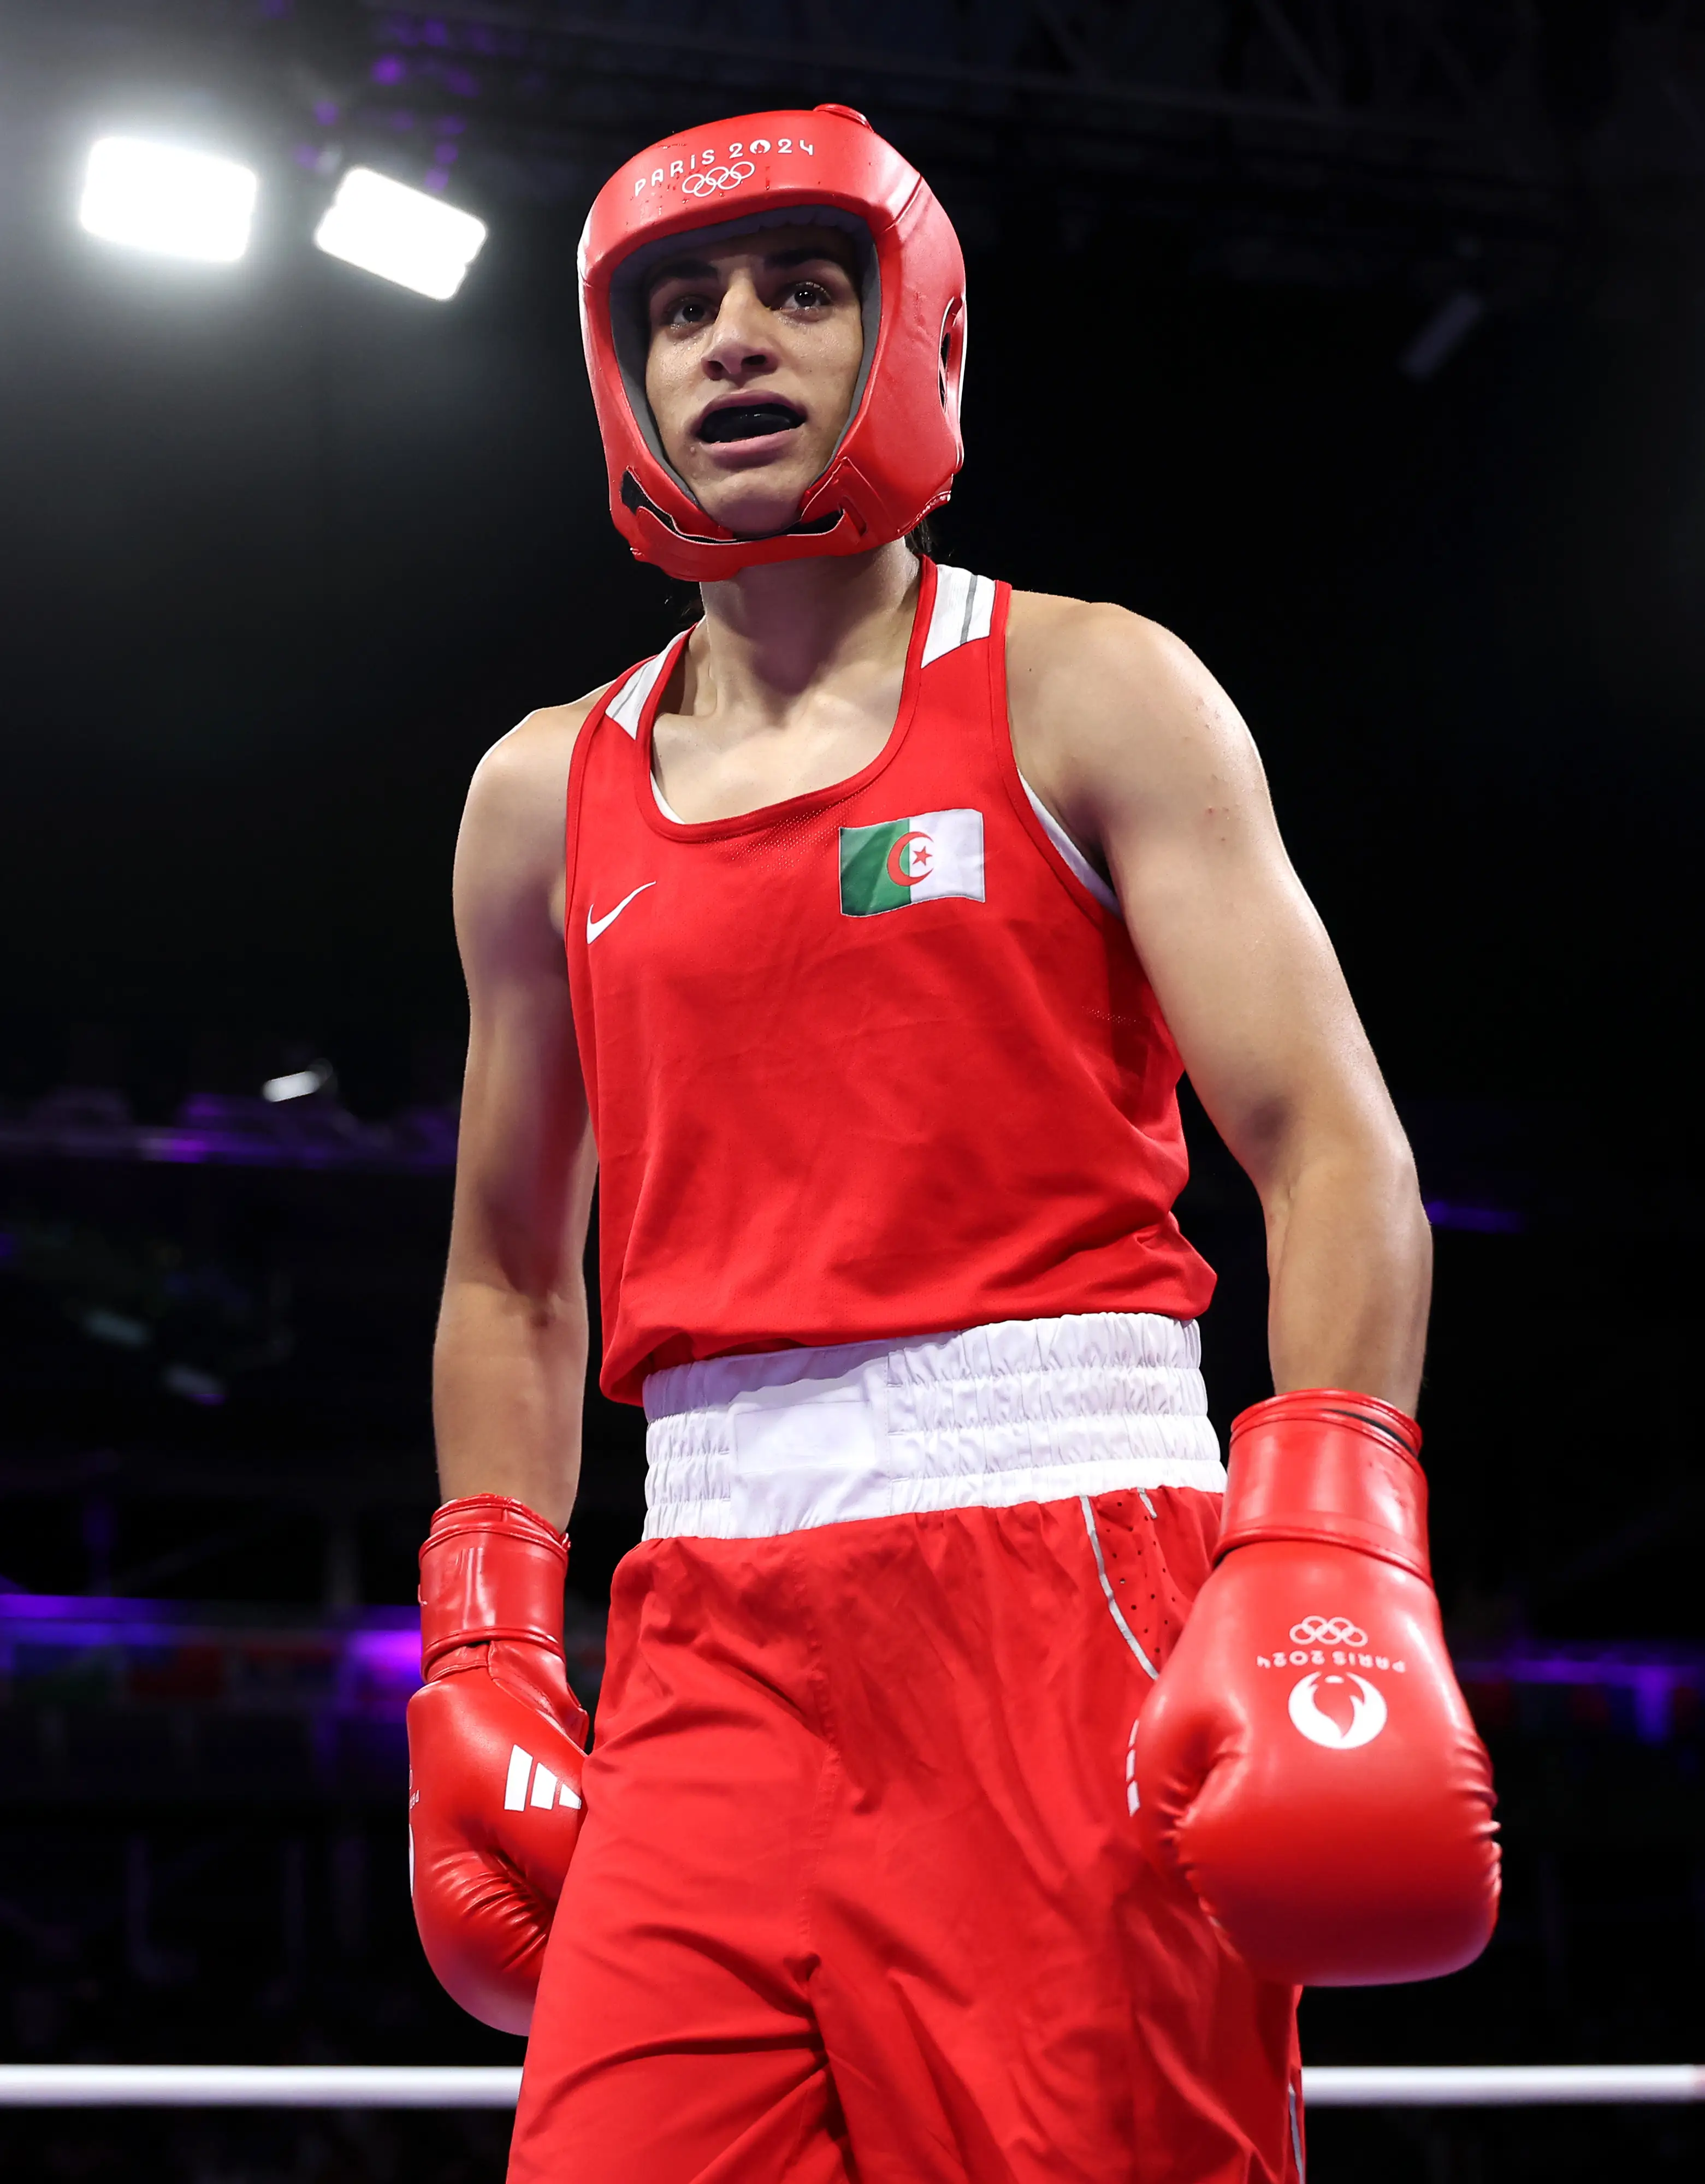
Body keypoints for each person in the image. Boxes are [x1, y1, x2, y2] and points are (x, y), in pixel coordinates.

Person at [405, 105, 1500, 2183]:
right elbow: (509, 1275)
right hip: (703, 1631)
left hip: (1064, 1584)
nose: (735, 339)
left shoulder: (1089, 688)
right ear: (621, 378)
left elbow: (1331, 1148)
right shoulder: (541, 795)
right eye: (679, 309)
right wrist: (487, 1634)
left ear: (915, 336)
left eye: (801, 291)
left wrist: (1328, 1543)